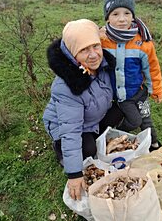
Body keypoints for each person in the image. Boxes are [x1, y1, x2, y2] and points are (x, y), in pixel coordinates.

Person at [43, 19, 123, 200]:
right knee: (87, 148)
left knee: (120, 111)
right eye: (84, 50)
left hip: (90, 118)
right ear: (72, 53)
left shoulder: (102, 66)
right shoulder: (67, 86)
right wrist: (74, 174)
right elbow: (70, 129)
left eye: (95, 46)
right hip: (66, 125)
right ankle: (60, 148)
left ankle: (95, 136)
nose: (93, 54)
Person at [100, 0, 162, 151]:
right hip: (123, 96)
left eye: (127, 13)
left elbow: (152, 68)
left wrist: (155, 89)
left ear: (133, 15)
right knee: (135, 121)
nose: (122, 19)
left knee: (146, 118)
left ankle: (154, 144)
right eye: (115, 14)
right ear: (107, 17)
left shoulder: (142, 43)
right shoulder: (102, 40)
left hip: (139, 91)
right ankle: (116, 135)